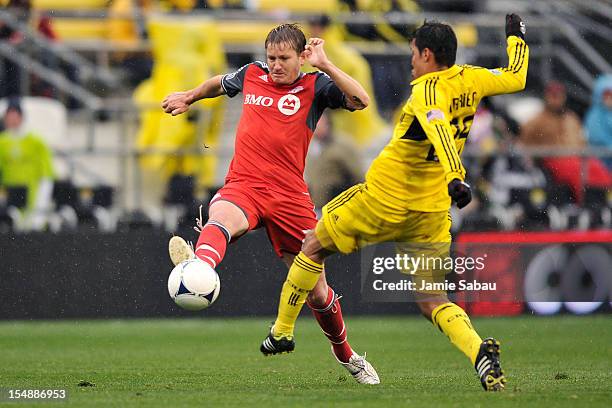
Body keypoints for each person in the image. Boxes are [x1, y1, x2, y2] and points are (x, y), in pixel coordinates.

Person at [263, 16, 529, 391]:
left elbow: (436, 126)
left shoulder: (425, 92)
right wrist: (517, 38)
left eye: (413, 54)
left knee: (313, 245)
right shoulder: (472, 78)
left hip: (385, 199)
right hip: (432, 210)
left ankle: (282, 331)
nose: (411, 62)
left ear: (427, 53)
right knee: (433, 300)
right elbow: (516, 76)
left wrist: (456, 175)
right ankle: (477, 352)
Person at [161, 23, 380, 384]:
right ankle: (199, 266)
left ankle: (347, 355)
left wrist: (325, 65)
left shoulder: (315, 86)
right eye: (271, 58)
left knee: (319, 292)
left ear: (301, 57)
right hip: (245, 184)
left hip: (291, 197)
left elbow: (360, 100)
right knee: (221, 216)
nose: (276, 65)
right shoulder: (251, 75)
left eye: (284, 59)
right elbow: (219, 82)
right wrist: (188, 96)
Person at [519, 81, 611, 203]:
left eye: (559, 95)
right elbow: (524, 144)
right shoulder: (537, 121)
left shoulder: (571, 118)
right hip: (553, 160)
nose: (556, 99)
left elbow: (581, 141)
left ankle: (606, 201)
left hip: (577, 158)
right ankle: (588, 204)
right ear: (546, 96)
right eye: (553, 95)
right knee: (578, 173)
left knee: (598, 168)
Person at [0, 98, 55, 230]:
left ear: (21, 117)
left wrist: (43, 199)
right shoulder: (2, 142)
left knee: (33, 232)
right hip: (10, 196)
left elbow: (47, 173)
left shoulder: (36, 141)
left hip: (32, 194)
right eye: (9, 116)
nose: (12, 120)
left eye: (15, 115)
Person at [305, 112, 363, 210]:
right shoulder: (309, 145)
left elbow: (358, 176)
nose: (316, 125)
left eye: (319, 122)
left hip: (338, 204)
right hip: (315, 206)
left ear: (328, 123)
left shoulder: (343, 144)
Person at [585, 74, 612, 170]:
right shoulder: (594, 115)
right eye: (606, 95)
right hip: (602, 161)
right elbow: (596, 137)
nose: (609, 99)